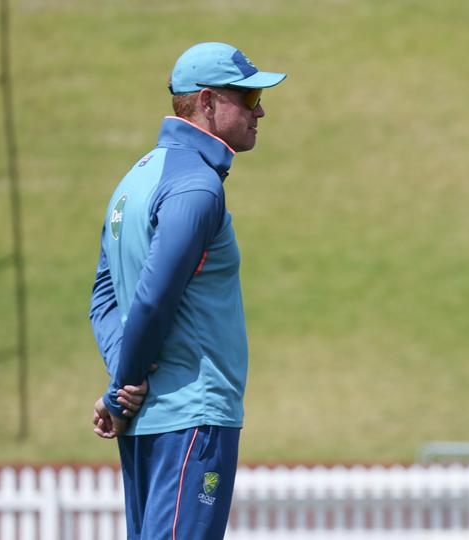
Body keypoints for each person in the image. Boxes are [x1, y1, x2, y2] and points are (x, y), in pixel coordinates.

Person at [88, 42, 286, 539]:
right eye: (247, 97)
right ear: (206, 102)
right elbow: (155, 296)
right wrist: (121, 387)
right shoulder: (198, 187)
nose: (259, 109)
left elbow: (104, 298)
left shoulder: (135, 178)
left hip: (150, 421)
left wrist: (123, 382)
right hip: (192, 416)